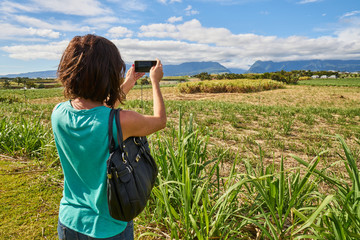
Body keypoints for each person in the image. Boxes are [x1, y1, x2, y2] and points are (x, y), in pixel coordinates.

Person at [51, 34, 166, 240]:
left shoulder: (59, 113)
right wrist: (155, 82)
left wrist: (130, 81)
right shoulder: (121, 121)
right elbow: (159, 121)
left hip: (69, 222)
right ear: (109, 75)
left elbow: (98, 113)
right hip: (108, 228)